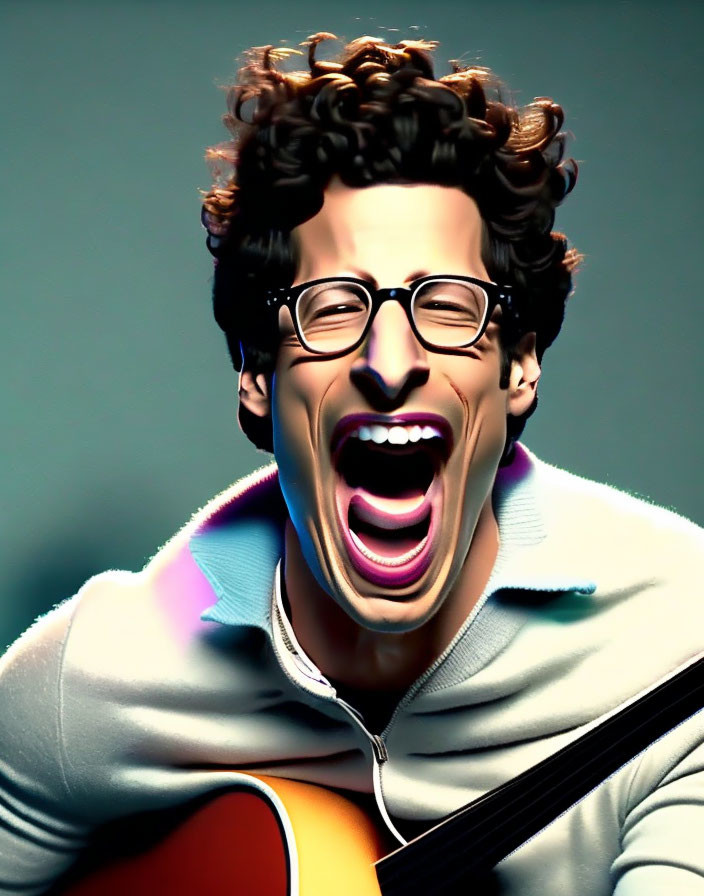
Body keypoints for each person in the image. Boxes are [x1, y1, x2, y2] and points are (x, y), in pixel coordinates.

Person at [1, 33, 702, 895]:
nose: (389, 357)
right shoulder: (107, 669)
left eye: (447, 305)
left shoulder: (681, 645)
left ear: (518, 363)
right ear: (259, 374)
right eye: (334, 306)